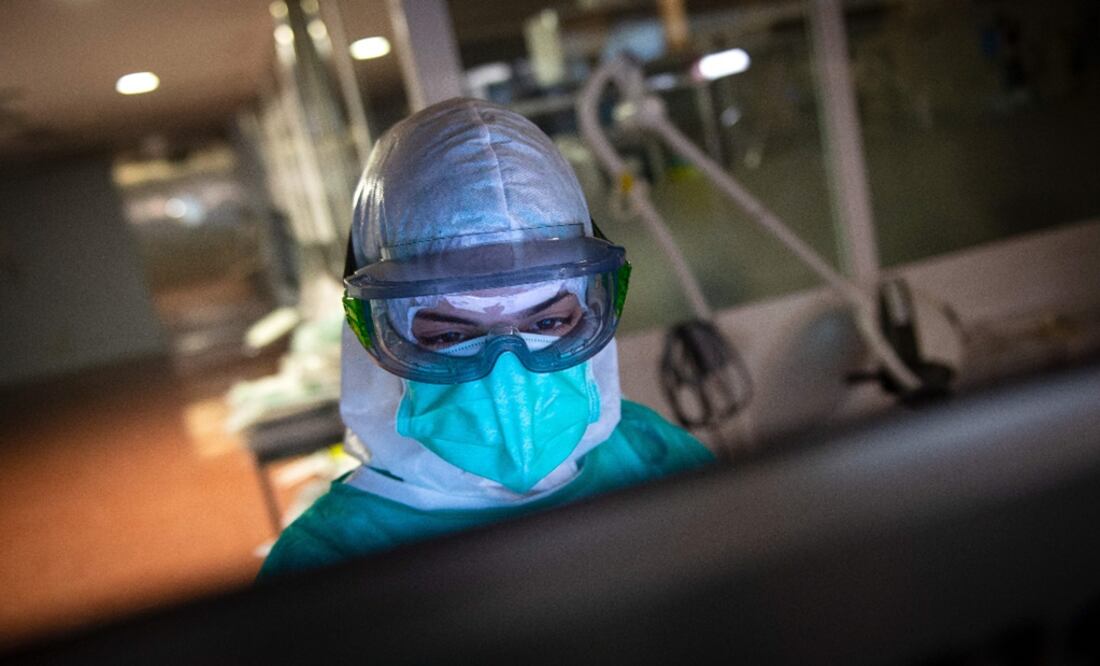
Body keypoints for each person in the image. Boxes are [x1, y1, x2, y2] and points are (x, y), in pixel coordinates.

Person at [259, 98, 714, 578]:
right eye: (452, 333)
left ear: (590, 311)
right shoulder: (325, 566)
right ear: (376, 335)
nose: (509, 378)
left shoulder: (653, 455)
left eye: (546, 324)